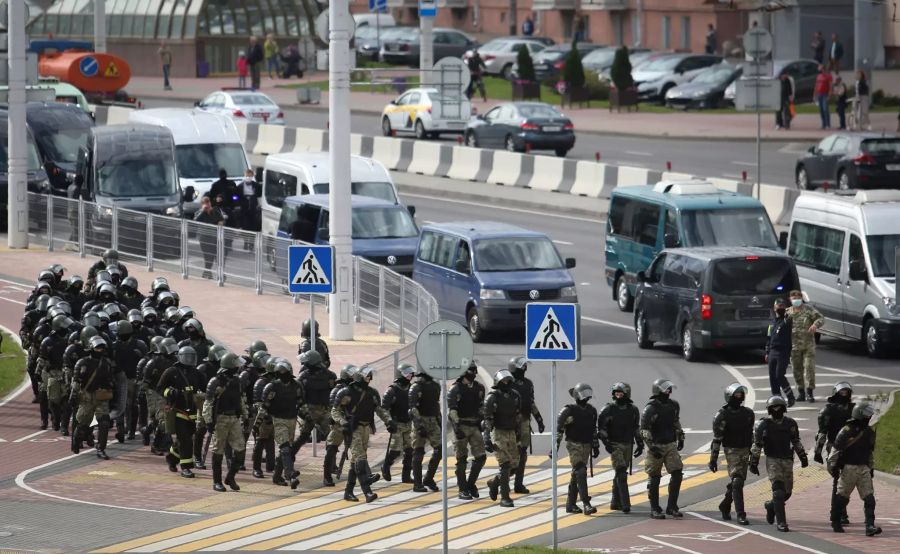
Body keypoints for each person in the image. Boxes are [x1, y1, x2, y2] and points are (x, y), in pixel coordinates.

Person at [331, 365, 395, 503]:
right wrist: (343, 422)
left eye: (370, 376)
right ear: (359, 376)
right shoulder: (346, 392)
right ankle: (368, 492)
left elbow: (379, 410)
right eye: (367, 376)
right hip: (353, 429)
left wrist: (389, 421)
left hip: (366, 429)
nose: (369, 379)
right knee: (360, 459)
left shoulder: (372, 393)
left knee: (355, 460)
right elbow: (334, 411)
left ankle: (348, 491)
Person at [750, 396, 808, 532]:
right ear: (770, 410)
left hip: (787, 459)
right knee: (778, 491)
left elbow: (796, 441)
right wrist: (754, 462)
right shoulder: (763, 425)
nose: (777, 410)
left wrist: (803, 456)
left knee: (787, 493)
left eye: (779, 407)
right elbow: (757, 445)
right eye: (774, 408)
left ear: (784, 408)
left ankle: (770, 506)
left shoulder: (790, 424)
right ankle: (781, 522)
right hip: (772, 460)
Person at [828, 401, 881, 536]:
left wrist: (871, 467)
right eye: (866, 414)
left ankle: (870, 526)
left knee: (869, 498)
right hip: (848, 469)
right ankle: (836, 521)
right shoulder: (847, 430)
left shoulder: (868, 432)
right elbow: (835, 449)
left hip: (863, 468)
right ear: (859, 414)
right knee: (842, 498)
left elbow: (869, 452)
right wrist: (832, 467)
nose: (868, 417)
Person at [709, 383, 755, 525]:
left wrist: (754, 455)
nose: (739, 396)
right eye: (736, 394)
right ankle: (741, 514)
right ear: (729, 396)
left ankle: (725, 504)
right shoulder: (722, 415)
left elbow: (751, 434)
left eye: (741, 394)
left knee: (738, 483)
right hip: (731, 450)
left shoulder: (748, 413)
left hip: (745, 449)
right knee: (737, 480)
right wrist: (713, 459)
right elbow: (717, 439)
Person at [157, 346, 205, 478]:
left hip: (192, 412)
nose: (190, 360)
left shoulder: (196, 373)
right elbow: (160, 388)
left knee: (186, 439)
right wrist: (171, 393)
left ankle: (172, 458)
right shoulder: (171, 371)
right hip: (177, 410)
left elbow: (205, 387)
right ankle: (186, 468)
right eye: (188, 357)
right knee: (186, 441)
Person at [641, 379, 685, 519]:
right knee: (654, 477)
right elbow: (644, 430)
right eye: (666, 389)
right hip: (656, 445)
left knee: (677, 473)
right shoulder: (651, 408)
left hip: (670, 444)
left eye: (669, 389)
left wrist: (681, 435)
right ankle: (655, 508)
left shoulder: (673, 405)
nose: (668, 392)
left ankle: (672, 506)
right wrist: (652, 447)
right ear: (657, 390)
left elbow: (675, 421)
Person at [292, 350, 338, 486]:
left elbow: (335, 395)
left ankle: (329, 471)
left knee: (331, 441)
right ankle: (287, 462)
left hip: (324, 411)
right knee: (303, 437)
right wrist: (302, 412)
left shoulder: (329, 376)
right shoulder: (304, 376)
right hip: (309, 410)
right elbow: (298, 396)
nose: (303, 363)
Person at [203, 352, 247, 493]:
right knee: (218, 451)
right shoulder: (215, 382)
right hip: (220, 419)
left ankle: (230, 477)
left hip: (234, 418)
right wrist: (209, 422)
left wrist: (245, 415)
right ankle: (217, 482)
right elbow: (208, 403)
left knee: (240, 449)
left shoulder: (237, 381)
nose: (238, 368)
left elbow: (241, 399)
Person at [256, 358, 303, 489]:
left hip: (292, 420)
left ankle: (277, 476)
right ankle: (290, 475)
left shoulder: (296, 386)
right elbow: (264, 407)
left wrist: (308, 420)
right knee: (285, 448)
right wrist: (257, 423)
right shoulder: (272, 387)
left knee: (286, 450)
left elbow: (301, 404)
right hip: (278, 420)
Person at [597, 382, 643, 513]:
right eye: (616, 392)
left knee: (619, 473)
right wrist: (607, 444)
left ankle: (615, 502)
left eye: (621, 393)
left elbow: (636, 427)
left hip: (628, 444)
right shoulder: (608, 409)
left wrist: (640, 443)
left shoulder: (633, 410)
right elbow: (601, 429)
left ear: (626, 394)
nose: (618, 395)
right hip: (615, 444)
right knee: (622, 472)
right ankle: (625, 504)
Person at [70, 336, 117, 459]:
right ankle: (76, 439)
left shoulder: (106, 363)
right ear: (91, 348)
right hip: (87, 396)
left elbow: (111, 380)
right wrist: (73, 394)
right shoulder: (82, 363)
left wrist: (111, 390)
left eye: (101, 347)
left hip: (101, 396)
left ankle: (101, 449)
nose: (100, 350)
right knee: (84, 423)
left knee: (104, 422)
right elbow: (75, 381)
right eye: (97, 347)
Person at [815, 382, 855, 527]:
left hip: (852, 448)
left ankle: (840, 511)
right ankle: (837, 513)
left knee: (848, 481)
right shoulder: (828, 410)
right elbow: (822, 432)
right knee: (838, 480)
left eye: (846, 391)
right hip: (834, 448)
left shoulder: (854, 409)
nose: (844, 394)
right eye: (841, 391)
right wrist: (818, 451)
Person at [556, 383, 599, 515]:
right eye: (583, 393)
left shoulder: (591, 411)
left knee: (576, 474)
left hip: (586, 445)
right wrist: (555, 447)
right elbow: (559, 429)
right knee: (580, 471)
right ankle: (586, 503)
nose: (585, 397)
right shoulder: (569, 410)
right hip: (573, 444)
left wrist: (596, 445)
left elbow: (593, 429)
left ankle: (571, 504)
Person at [448, 360, 486, 500]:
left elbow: (481, 407)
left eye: (475, 370)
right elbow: (452, 410)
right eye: (471, 370)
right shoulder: (455, 389)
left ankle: (470, 484)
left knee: (481, 457)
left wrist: (484, 420)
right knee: (461, 459)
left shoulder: (479, 388)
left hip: (475, 425)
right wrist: (457, 427)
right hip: (461, 425)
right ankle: (462, 489)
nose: (474, 373)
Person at [483, 369, 521, 508]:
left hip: (511, 432)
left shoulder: (515, 396)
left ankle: (494, 482)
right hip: (498, 432)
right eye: (504, 381)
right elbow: (487, 419)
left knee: (514, 466)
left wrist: (519, 432)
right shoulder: (492, 397)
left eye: (508, 381)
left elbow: (517, 414)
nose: (506, 383)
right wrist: (486, 437)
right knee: (505, 465)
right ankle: (505, 497)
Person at [509, 357, 544, 495]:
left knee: (523, 454)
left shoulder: (528, 384)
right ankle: (499, 481)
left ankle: (518, 484)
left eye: (525, 366)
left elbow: (531, 403)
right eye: (521, 367)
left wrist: (539, 419)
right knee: (511, 456)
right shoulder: (507, 382)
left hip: (524, 421)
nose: (524, 369)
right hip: (510, 423)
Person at [110, 321, 147, 442]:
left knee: (132, 406)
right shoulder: (114, 346)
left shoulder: (139, 345)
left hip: (133, 380)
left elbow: (145, 362)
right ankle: (121, 430)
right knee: (120, 405)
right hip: (119, 379)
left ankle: (131, 430)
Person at [409, 366, 443, 493]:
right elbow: (412, 408)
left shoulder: (435, 386)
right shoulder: (416, 387)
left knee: (439, 451)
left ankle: (429, 478)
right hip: (420, 420)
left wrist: (439, 421)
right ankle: (417, 483)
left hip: (433, 420)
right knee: (418, 452)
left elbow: (436, 404)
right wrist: (418, 425)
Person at [381, 363, 415, 485]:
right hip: (397, 423)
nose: (410, 376)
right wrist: (389, 421)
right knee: (395, 449)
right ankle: (386, 466)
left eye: (411, 373)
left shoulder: (412, 388)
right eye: (407, 373)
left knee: (410, 450)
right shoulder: (392, 390)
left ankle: (406, 476)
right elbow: (384, 408)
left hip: (408, 423)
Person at [788, 290, 824, 402]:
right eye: (794, 298)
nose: (796, 300)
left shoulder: (808, 310)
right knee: (796, 369)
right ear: (790, 299)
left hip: (808, 345)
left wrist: (815, 325)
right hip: (794, 346)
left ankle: (810, 391)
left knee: (809, 368)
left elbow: (821, 318)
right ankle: (801, 392)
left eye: (798, 297)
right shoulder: (787, 312)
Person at [250, 351, 276, 479]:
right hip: (263, 417)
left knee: (271, 441)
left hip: (273, 415)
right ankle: (256, 468)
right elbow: (257, 403)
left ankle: (271, 465)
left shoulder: (275, 381)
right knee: (260, 442)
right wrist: (264, 417)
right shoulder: (261, 382)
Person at [766, 298, 796, 406]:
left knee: (779, 375)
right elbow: (769, 337)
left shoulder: (787, 320)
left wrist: (787, 312)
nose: (780, 308)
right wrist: (767, 351)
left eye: (782, 306)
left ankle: (790, 396)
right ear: (774, 308)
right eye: (778, 306)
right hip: (772, 351)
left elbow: (793, 314)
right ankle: (776, 398)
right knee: (772, 375)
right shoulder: (772, 322)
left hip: (783, 351)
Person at [193, 196, 225, 279]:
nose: (207, 205)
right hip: (204, 238)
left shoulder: (215, 210)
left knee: (216, 256)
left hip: (215, 237)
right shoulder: (199, 212)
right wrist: (203, 211)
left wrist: (220, 224)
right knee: (208, 256)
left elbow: (221, 220)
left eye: (208, 202)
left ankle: (210, 273)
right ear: (202, 204)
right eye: (205, 203)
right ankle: (207, 272)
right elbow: (196, 221)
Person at [239, 168, 261, 239]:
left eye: (250, 176)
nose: (248, 178)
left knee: (253, 226)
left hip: (253, 209)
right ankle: (245, 242)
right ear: (244, 176)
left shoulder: (256, 186)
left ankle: (251, 243)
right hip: (244, 209)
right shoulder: (240, 186)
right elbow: (237, 196)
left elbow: (259, 195)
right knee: (245, 226)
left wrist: (258, 205)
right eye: (247, 176)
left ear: (252, 177)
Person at [814, 65, 833, 130]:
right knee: (821, 110)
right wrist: (814, 95)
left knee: (825, 109)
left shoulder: (828, 76)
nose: (819, 70)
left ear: (823, 69)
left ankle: (828, 124)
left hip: (825, 94)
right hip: (819, 94)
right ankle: (823, 124)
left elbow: (830, 86)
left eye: (820, 69)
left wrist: (829, 95)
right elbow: (816, 86)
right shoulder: (818, 76)